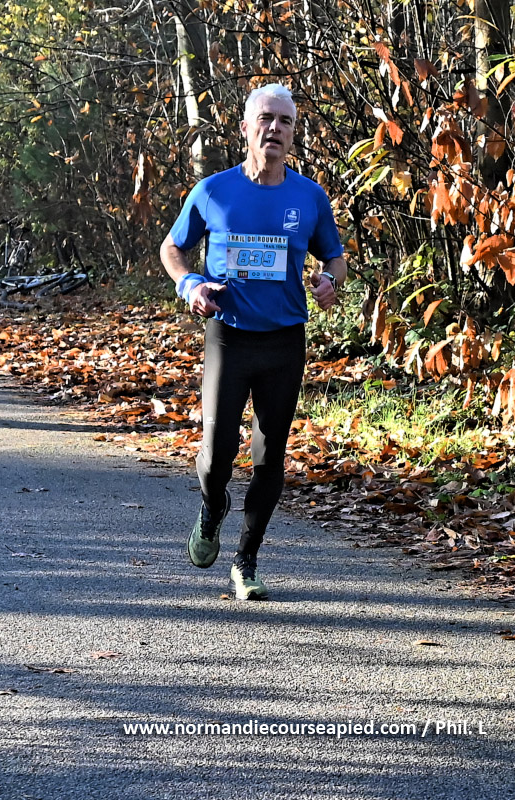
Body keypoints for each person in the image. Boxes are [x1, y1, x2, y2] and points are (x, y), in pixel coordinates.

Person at [160, 83, 346, 600]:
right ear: (245, 127)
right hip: (228, 337)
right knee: (217, 455)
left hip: (284, 340)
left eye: (285, 121)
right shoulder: (214, 191)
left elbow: (334, 258)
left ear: (293, 133)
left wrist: (330, 281)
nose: (274, 129)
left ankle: (246, 560)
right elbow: (173, 247)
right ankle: (212, 505)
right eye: (265, 118)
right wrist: (190, 284)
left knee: (269, 458)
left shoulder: (309, 197)